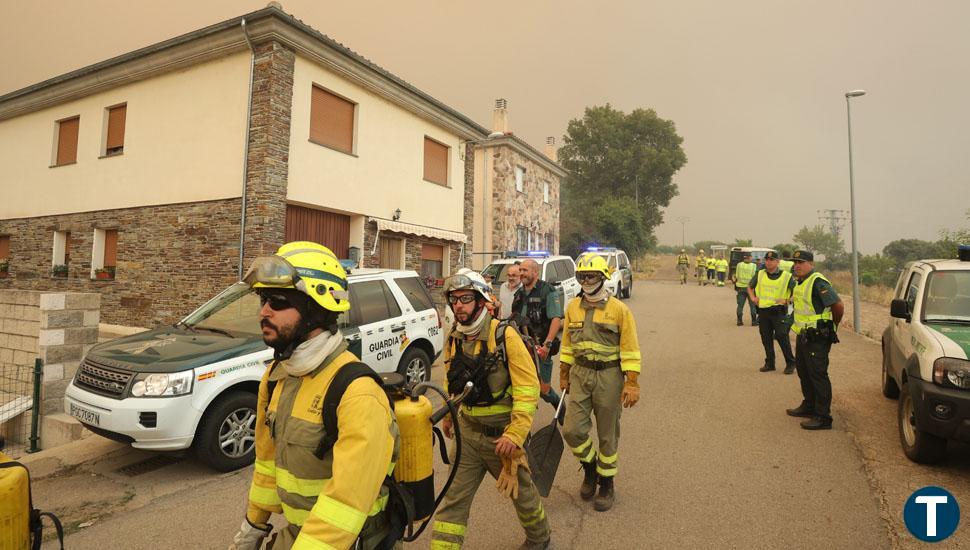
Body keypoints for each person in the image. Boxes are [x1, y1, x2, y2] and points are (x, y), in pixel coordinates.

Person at [231, 242, 398, 550]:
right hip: (301, 533)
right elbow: (267, 463)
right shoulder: (277, 376)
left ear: (316, 310)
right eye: (264, 299)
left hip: (351, 540)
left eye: (278, 302)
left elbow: (345, 505)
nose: (264, 311)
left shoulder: (358, 392)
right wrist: (253, 525)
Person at [431, 272, 550, 550]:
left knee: (523, 496)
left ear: (482, 301)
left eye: (466, 299)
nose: (458, 305)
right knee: (452, 503)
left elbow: (528, 389)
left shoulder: (504, 336)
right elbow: (452, 381)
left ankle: (539, 538)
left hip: (503, 441)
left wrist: (516, 434)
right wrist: (450, 415)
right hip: (468, 437)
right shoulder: (455, 338)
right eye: (454, 300)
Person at [560, 254, 641, 512]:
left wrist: (632, 383)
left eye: (592, 276)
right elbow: (567, 345)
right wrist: (563, 373)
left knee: (607, 435)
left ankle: (606, 484)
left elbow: (630, 349)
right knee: (572, 430)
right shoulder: (572, 307)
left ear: (603, 277)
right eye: (582, 276)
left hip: (609, 377)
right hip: (580, 375)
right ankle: (590, 468)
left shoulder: (619, 310)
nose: (586, 281)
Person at [785, 250, 844, 430]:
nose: (797, 265)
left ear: (811, 264)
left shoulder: (817, 281)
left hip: (817, 337)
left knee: (818, 375)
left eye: (801, 262)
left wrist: (832, 326)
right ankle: (809, 406)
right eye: (795, 262)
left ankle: (823, 417)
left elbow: (838, 305)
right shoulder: (800, 282)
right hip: (804, 335)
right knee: (804, 372)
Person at [511, 259, 563, 409]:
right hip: (522, 348)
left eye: (525, 270)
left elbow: (556, 319)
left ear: (535, 272)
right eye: (520, 270)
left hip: (541, 348)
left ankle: (558, 404)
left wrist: (547, 345)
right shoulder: (518, 294)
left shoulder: (547, 291)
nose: (521, 273)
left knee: (544, 390)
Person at [748, 251, 796, 374]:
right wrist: (753, 298)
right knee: (766, 338)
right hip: (763, 311)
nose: (768, 262)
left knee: (781, 336)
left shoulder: (786, 276)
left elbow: (796, 293)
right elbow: (750, 287)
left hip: (779, 311)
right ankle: (770, 363)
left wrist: (786, 300)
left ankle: (790, 363)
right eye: (767, 260)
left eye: (771, 260)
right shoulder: (760, 273)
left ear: (778, 261)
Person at [733, 252, 758, 326]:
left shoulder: (739, 265)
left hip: (740, 288)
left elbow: (736, 276)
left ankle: (739, 321)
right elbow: (754, 277)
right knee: (752, 305)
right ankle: (754, 322)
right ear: (749, 257)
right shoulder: (754, 266)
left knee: (740, 305)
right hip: (750, 288)